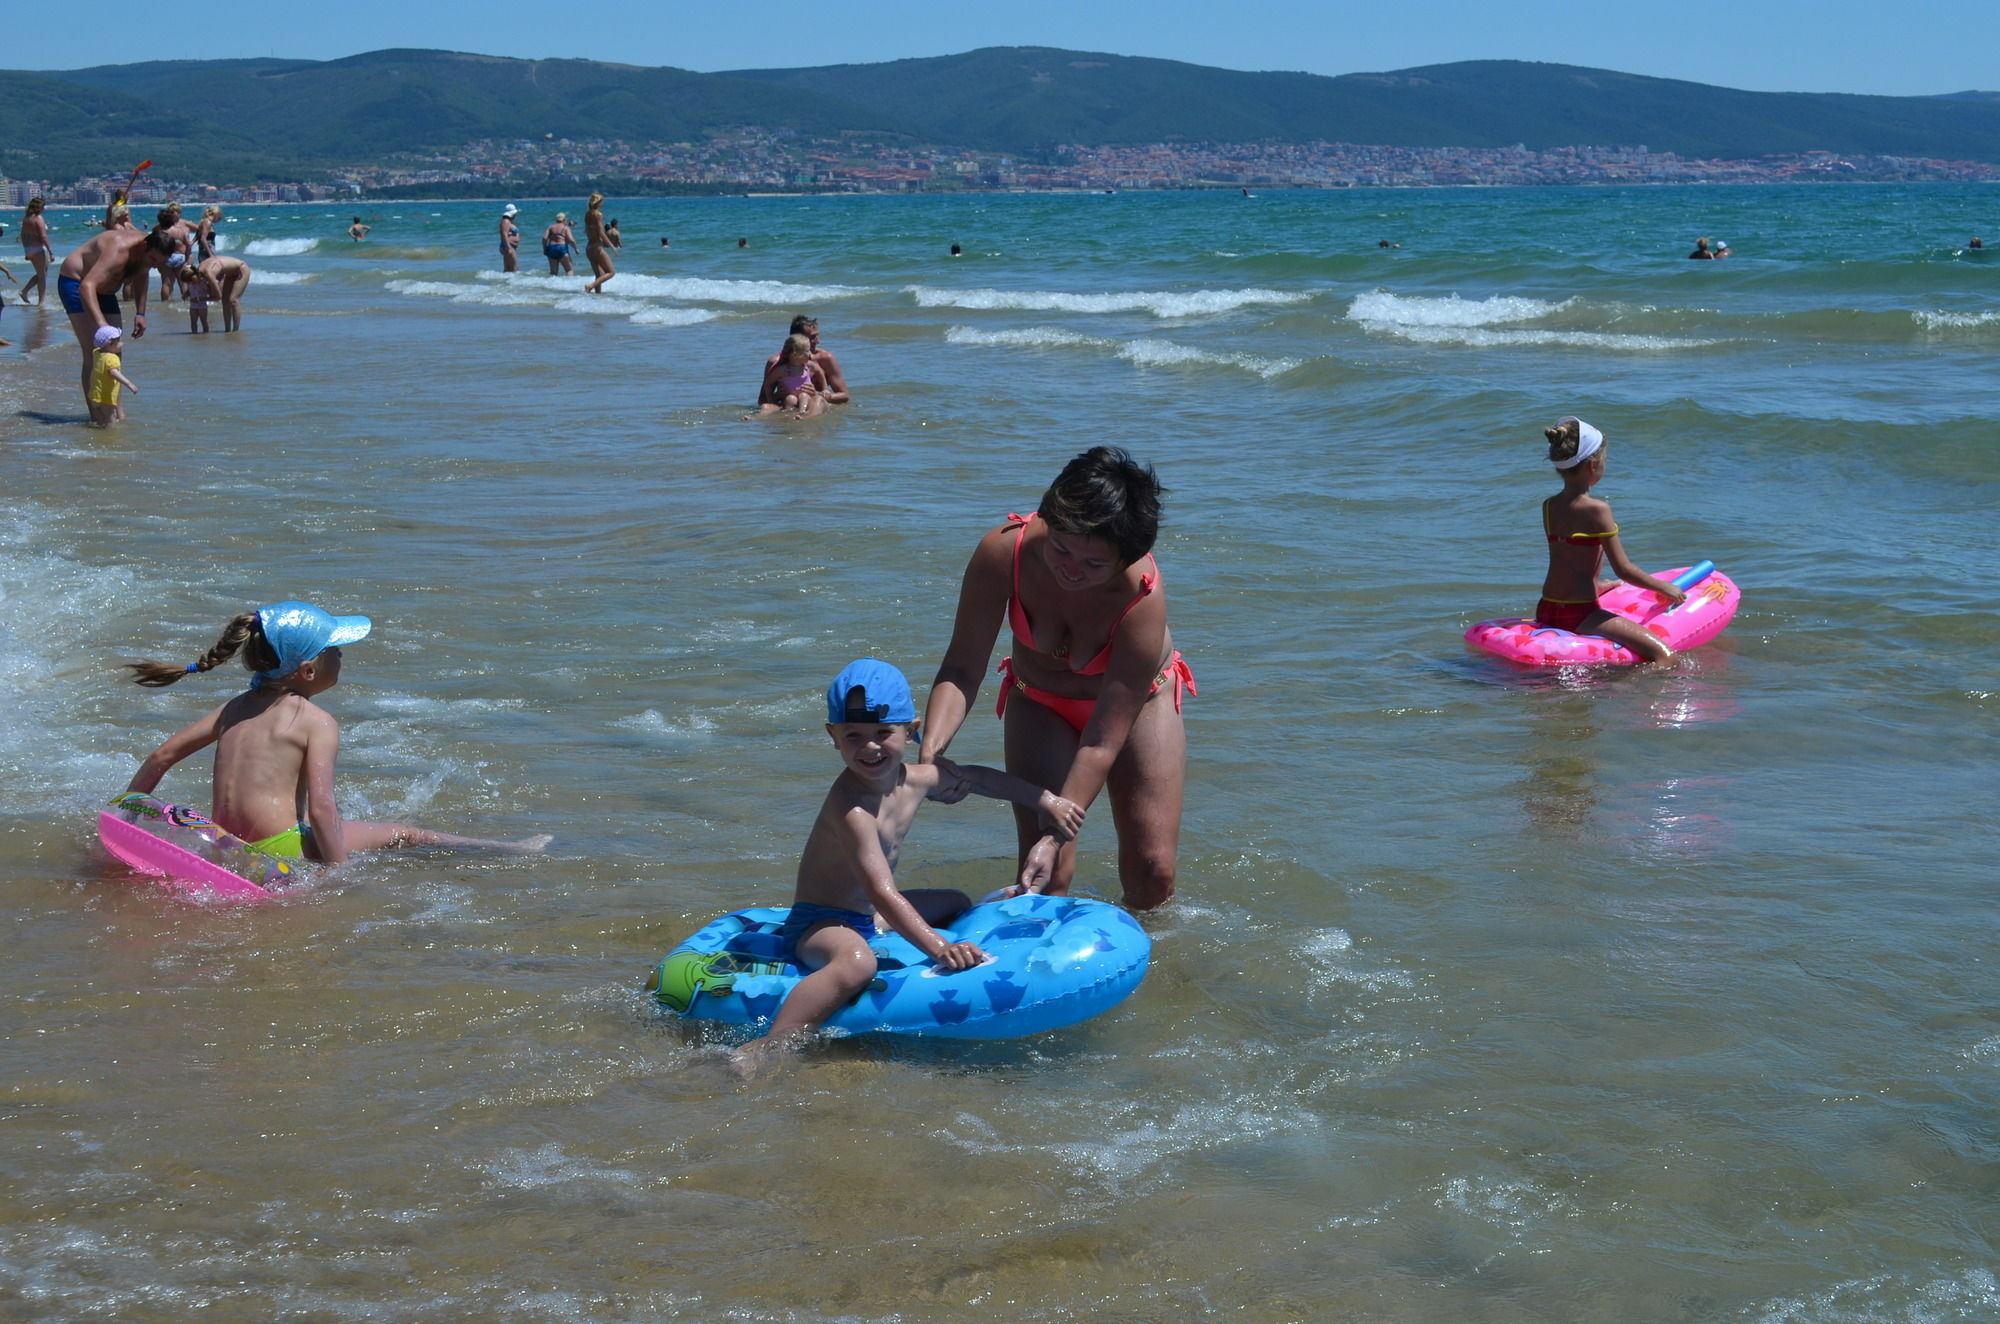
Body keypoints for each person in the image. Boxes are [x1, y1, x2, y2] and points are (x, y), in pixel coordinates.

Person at [728, 659, 1084, 1072]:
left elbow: (979, 780)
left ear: (911, 731)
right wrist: (941, 947)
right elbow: (882, 890)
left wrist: (1045, 801)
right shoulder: (852, 809)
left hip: (867, 914)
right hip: (818, 924)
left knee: (955, 900)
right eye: (854, 736)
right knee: (859, 964)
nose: (870, 747)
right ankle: (769, 1047)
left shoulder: (914, 780)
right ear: (833, 737)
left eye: (884, 733)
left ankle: (976, 908)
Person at [920, 447, 1195, 910]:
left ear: (1128, 558)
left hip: (1137, 708)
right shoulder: (1003, 552)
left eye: (1093, 565)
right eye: (1061, 548)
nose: (1070, 569)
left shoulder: (1140, 599)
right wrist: (932, 752)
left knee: (1153, 871)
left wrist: (1057, 832)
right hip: (1038, 699)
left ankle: (1154, 965)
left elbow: (1102, 741)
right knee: (1045, 875)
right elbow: (962, 668)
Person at [123, 602, 552, 863]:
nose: (342, 655)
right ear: (308, 670)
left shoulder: (233, 709)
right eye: (334, 650)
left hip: (226, 843)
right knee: (409, 835)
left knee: (347, 822)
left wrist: (124, 815)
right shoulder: (317, 722)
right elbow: (324, 813)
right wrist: (337, 875)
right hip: (279, 848)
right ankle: (511, 850)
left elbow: (161, 757)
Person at [1532, 417, 1686, 664]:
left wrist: (1599, 585)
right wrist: (1666, 588)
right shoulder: (1597, 509)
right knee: (1666, 656)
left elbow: (1567, 561)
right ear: (1593, 465)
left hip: (1547, 607)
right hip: (1579, 614)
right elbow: (1624, 569)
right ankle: (1626, 688)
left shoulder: (1549, 506)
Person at [55, 222, 180, 404]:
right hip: (76, 283)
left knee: (114, 354)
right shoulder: (118, 249)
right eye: (153, 260)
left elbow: (142, 274)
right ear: (144, 246)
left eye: (159, 263)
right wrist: (102, 326)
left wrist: (141, 313)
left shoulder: (149, 251)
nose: (154, 266)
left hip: (106, 291)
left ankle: (115, 408)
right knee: (94, 351)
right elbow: (87, 286)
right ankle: (96, 415)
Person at [758, 315, 849, 407]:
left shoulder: (825, 359)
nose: (817, 341)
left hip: (815, 407)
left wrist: (818, 394)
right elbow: (762, 400)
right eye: (812, 337)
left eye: (817, 336)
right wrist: (777, 396)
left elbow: (844, 396)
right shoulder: (776, 362)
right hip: (788, 407)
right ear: (797, 340)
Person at [87, 325, 137, 425]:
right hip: (106, 397)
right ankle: (111, 439)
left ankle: (100, 437)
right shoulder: (112, 358)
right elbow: (113, 373)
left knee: (101, 421)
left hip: (94, 394)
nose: (122, 343)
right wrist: (129, 384)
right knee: (111, 421)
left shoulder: (96, 353)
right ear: (109, 343)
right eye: (118, 341)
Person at [193, 254, 250, 333]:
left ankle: (235, 330)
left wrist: (201, 299)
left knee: (233, 300)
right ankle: (227, 329)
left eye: (193, 282)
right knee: (225, 301)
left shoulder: (209, 273)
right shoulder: (199, 269)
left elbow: (218, 297)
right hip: (229, 273)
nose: (193, 284)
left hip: (241, 269)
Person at [19, 197, 54, 306]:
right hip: (39, 249)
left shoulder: (26, 219)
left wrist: (26, 251)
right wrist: (51, 251)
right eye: (43, 206)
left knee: (41, 274)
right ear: (38, 207)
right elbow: (43, 236)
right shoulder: (38, 218)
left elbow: (23, 235)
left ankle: (25, 291)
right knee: (42, 276)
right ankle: (41, 302)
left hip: (29, 249)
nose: (44, 209)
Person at [582, 193, 615, 294]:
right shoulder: (598, 214)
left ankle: (597, 297)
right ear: (598, 202)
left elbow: (587, 230)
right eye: (602, 201)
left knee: (599, 275)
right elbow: (601, 232)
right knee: (611, 272)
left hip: (589, 247)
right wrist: (612, 246)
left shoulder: (587, 214)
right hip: (597, 247)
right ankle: (590, 286)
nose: (603, 203)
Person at [181, 268, 209, 333]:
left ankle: (206, 333)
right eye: (189, 281)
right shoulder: (190, 283)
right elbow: (189, 291)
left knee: (204, 321)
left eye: (192, 279)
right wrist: (185, 295)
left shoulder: (202, 282)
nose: (191, 281)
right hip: (193, 305)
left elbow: (208, 291)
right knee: (193, 321)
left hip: (202, 305)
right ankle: (194, 333)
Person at [498, 203, 520, 273]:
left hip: (509, 246)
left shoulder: (508, 221)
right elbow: (504, 234)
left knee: (508, 268)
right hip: (508, 246)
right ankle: (513, 282)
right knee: (514, 268)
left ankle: (506, 282)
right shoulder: (506, 221)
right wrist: (508, 247)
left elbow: (506, 233)